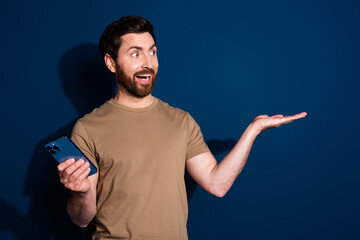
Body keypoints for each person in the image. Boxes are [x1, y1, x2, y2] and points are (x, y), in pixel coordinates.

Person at [57, 16, 307, 240]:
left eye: (152, 52)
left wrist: (252, 131)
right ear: (111, 63)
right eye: (135, 54)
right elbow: (81, 220)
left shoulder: (181, 121)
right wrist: (80, 193)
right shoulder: (88, 128)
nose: (147, 63)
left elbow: (217, 184)